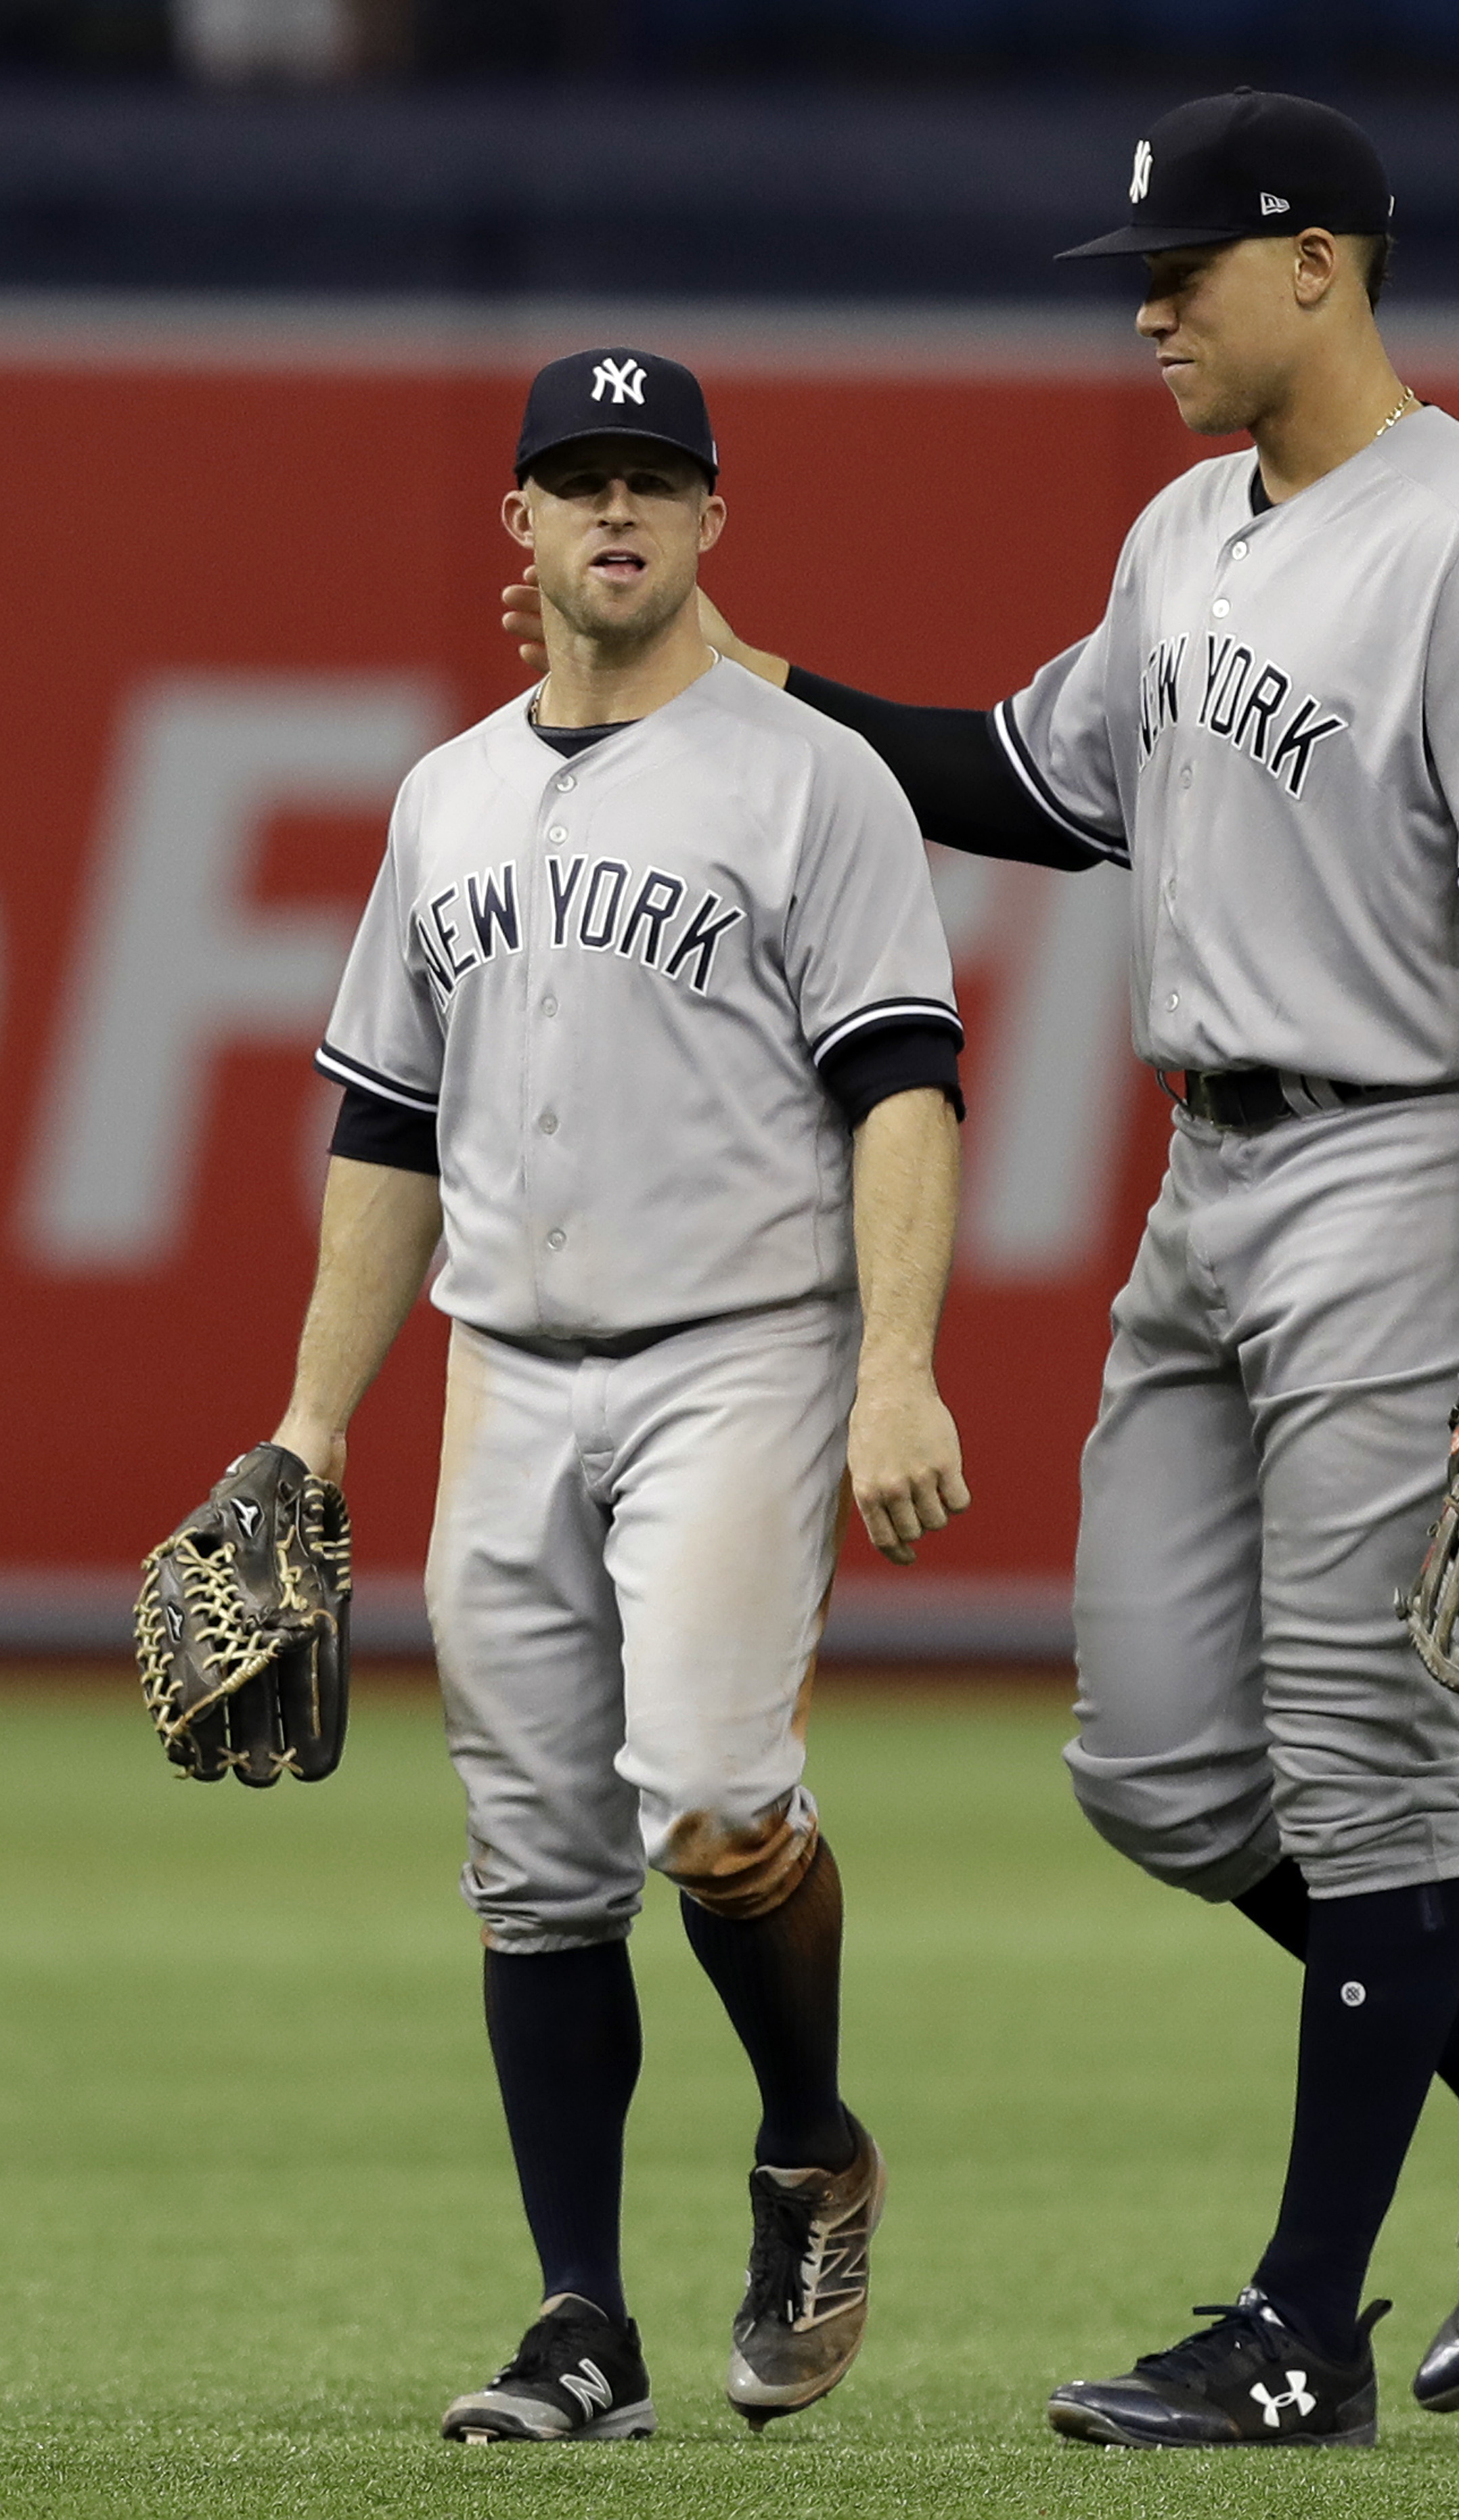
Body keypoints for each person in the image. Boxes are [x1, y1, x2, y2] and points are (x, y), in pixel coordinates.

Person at [506, 95, 1459, 2450]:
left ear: (1320, 265)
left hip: (1418, 1167)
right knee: (1159, 1768)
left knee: (1362, 1768)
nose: (1145, 310)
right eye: (1136, 275)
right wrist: (744, 685)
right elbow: (1027, 786)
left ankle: (1301, 2331)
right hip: (1213, 1178)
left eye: (1184, 269)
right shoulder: (1183, 535)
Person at [290, 346, 970, 2442]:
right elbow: (385, 1129)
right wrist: (308, 1423)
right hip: (506, 1362)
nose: (614, 511)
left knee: (707, 1795)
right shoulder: (445, 795)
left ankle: (810, 2148)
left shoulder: (808, 780)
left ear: (708, 521)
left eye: (650, 481)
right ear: (516, 520)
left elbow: (905, 1085)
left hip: (739, 1351)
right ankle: (581, 2322)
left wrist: (895, 1365)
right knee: (532, 1862)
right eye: (577, 480)